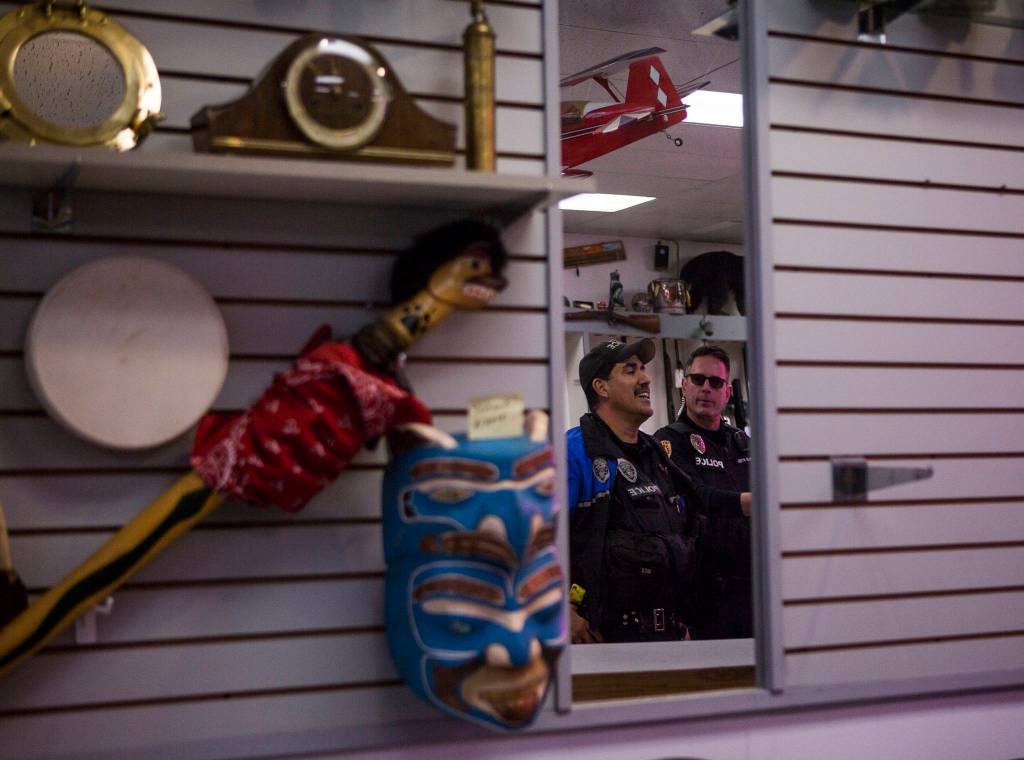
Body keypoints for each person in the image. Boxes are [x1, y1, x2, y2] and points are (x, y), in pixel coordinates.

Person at [565, 338, 700, 644]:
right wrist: (560, 612)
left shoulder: (654, 453)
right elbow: (531, 542)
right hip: (605, 643)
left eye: (643, 369)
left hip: (670, 638)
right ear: (602, 387)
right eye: (630, 371)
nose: (645, 379)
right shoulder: (575, 453)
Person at [655, 344, 753, 639]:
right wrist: (753, 502)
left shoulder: (741, 441)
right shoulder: (668, 441)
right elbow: (697, 496)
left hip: (752, 589)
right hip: (702, 597)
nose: (705, 388)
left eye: (715, 382)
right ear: (684, 385)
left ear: (728, 392)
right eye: (698, 380)